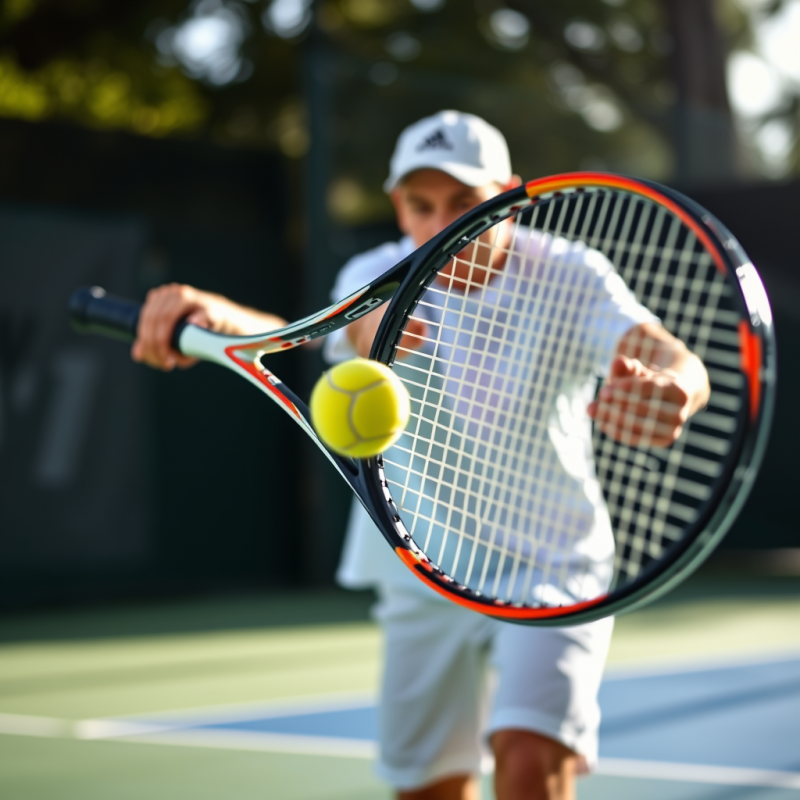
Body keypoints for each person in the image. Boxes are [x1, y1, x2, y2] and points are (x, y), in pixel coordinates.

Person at [132, 110, 709, 800]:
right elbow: (319, 333)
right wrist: (215, 313)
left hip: (550, 563)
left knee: (529, 760)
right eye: (420, 204)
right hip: (420, 559)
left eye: (466, 204)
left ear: (509, 195)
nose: (441, 225)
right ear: (396, 205)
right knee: (428, 789)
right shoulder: (372, 274)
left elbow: (665, 354)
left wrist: (674, 387)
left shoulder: (572, 274)